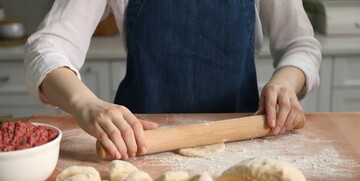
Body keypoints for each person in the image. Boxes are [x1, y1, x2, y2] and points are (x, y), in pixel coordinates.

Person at [24, 0, 321, 160]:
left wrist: (285, 81)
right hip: (137, 147)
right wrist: (84, 103)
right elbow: (47, 46)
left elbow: (300, 43)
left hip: (241, 145)